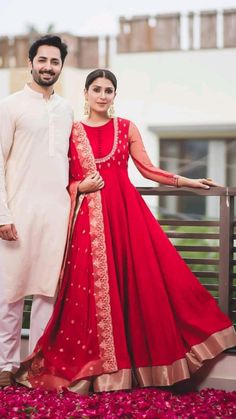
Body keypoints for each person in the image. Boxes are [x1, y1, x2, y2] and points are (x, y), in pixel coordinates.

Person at [17, 69, 236, 393]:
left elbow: (147, 168)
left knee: (148, 284)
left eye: (109, 90)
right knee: (89, 299)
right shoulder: (72, 132)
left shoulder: (126, 127)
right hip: (88, 227)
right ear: (87, 93)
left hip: (126, 220)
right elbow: (59, 179)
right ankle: (97, 372)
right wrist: (80, 185)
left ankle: (133, 370)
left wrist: (190, 181)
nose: (103, 95)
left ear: (114, 96)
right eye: (97, 89)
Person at [0, 35, 74, 387]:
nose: (48, 67)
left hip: (56, 215)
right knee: (9, 293)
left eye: (54, 62)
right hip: (17, 213)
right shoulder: (10, 105)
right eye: (42, 60)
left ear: (61, 66)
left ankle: (34, 366)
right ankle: (5, 364)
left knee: (47, 293)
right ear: (31, 62)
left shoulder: (67, 110)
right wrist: (2, 214)